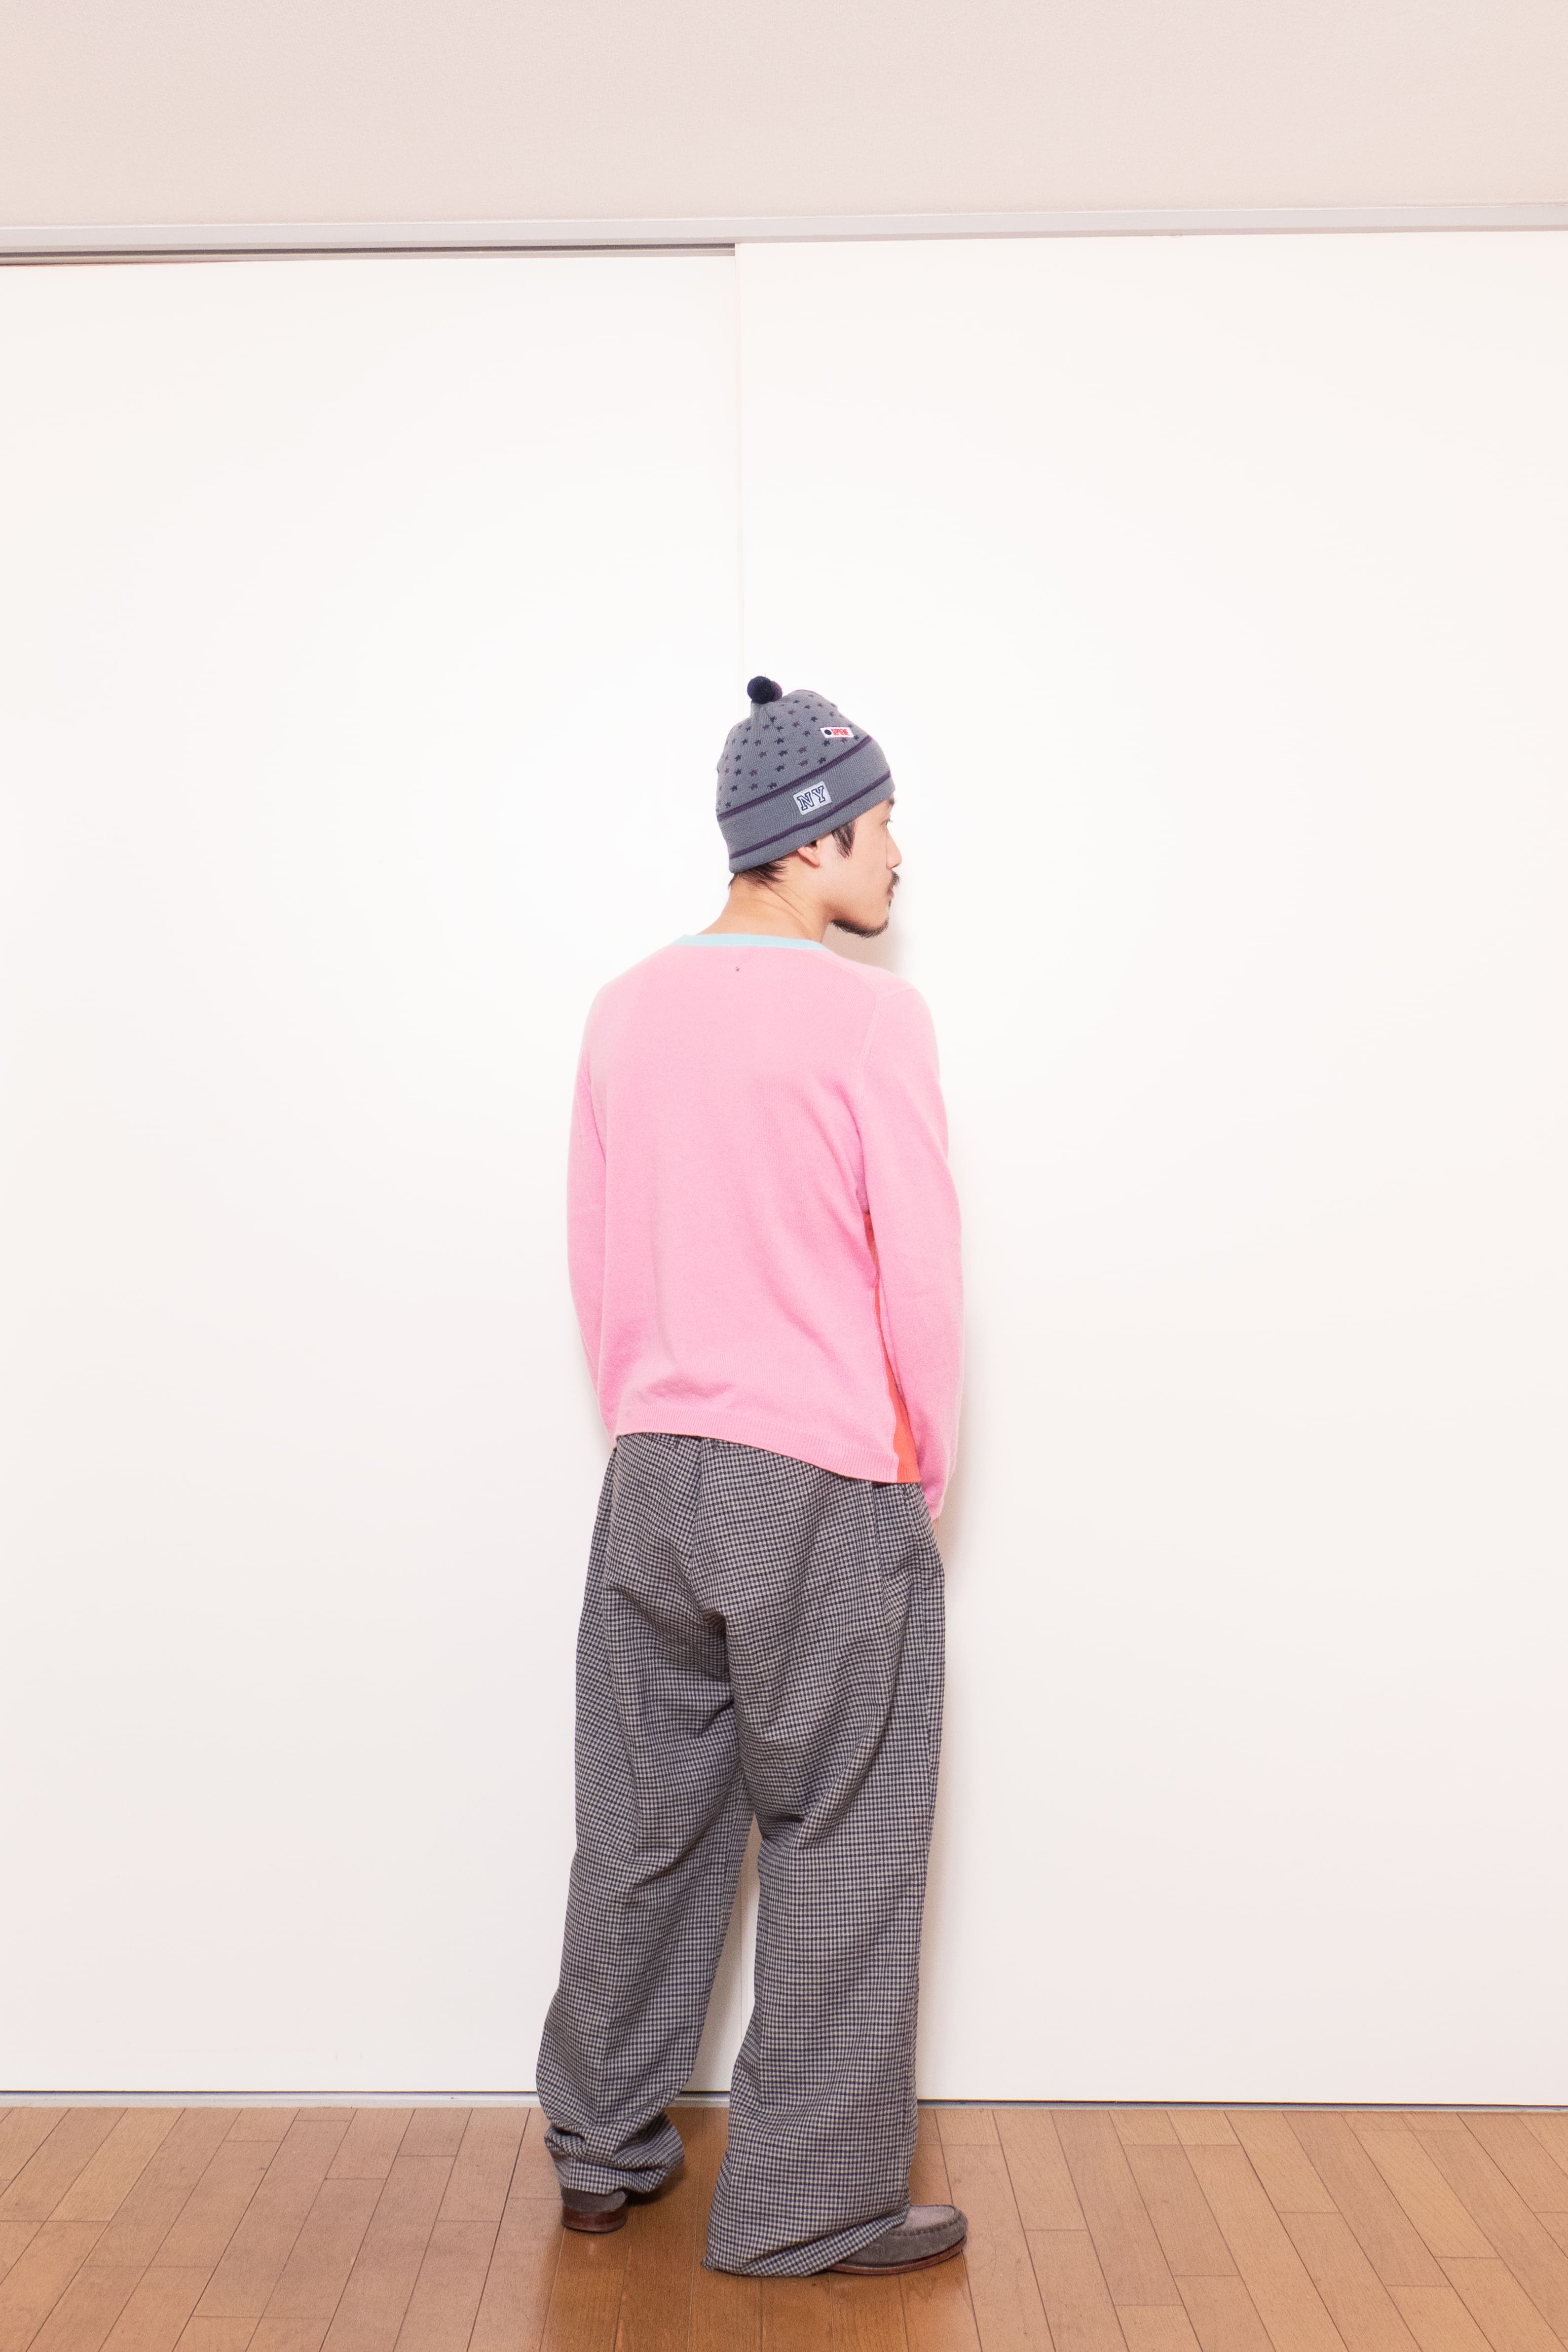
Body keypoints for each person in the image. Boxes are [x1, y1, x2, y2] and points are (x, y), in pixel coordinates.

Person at [536, 677, 966, 2278]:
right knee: (843, 1833)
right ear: (812, 839)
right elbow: (919, 1274)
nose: (898, 854)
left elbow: (597, 1258)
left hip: (654, 1474)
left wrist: (652, 1419)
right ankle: (805, 2205)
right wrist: (916, 1471)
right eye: (882, 822)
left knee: (642, 1827)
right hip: (822, 1476)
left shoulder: (622, 1009)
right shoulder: (870, 1020)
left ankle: (599, 2150)